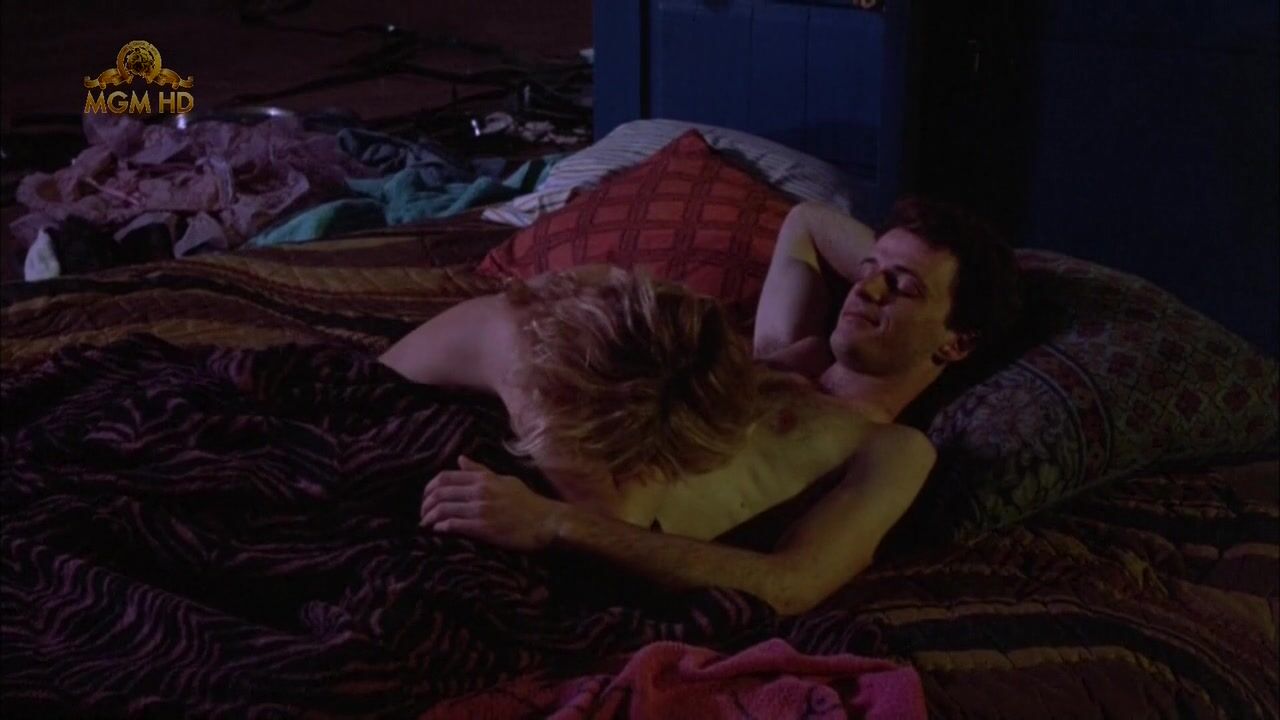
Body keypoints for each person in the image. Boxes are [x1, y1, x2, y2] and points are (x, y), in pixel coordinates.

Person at [382, 196, 1020, 615]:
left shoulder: (893, 447)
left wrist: (556, 522)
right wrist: (896, 264)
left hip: (611, 518)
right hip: (578, 435)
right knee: (563, 299)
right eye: (868, 268)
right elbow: (806, 220)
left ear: (957, 342)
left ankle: (381, 383)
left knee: (512, 327)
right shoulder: (784, 353)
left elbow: (793, 583)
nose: (867, 288)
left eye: (900, 287)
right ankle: (370, 386)